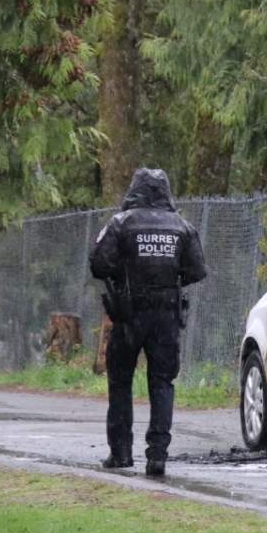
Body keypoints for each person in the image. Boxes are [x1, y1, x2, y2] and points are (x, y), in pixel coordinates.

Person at [89, 168, 207, 476]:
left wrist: (125, 270)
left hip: (129, 312)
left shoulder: (121, 223)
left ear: (135, 189)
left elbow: (98, 263)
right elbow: (197, 270)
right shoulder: (182, 226)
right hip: (166, 312)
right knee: (162, 382)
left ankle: (120, 452)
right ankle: (157, 456)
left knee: (120, 381)